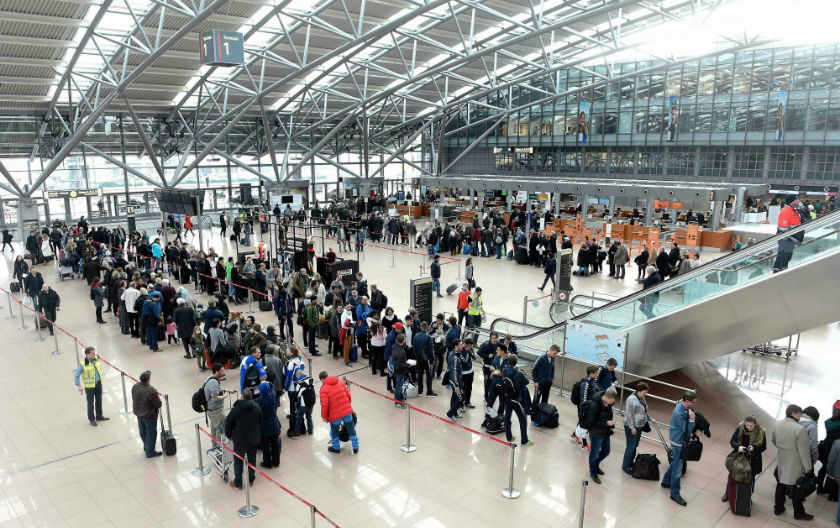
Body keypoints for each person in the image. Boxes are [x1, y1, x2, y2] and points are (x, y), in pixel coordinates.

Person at [772, 404, 814, 520]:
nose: (800, 417)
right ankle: (799, 513)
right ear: (794, 414)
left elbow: (774, 440)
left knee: (781, 484)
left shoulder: (779, 424)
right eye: (800, 414)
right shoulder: (800, 430)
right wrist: (808, 467)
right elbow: (804, 451)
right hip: (795, 463)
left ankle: (778, 508)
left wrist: (783, 449)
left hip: (782, 459)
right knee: (797, 488)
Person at [661, 390, 698, 506]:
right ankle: (674, 493)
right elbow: (686, 431)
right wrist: (692, 420)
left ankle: (666, 481)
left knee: (677, 461)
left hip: (678, 439)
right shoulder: (679, 413)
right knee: (678, 468)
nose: (694, 405)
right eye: (693, 403)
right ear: (686, 401)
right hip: (678, 442)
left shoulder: (687, 408)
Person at [721, 415, 766, 502]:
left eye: (751, 426)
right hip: (739, 456)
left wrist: (754, 447)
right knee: (732, 475)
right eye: (747, 425)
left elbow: (763, 447)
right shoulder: (740, 429)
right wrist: (738, 447)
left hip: (753, 459)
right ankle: (727, 493)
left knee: (751, 478)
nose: (748, 427)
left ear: (755, 424)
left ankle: (748, 496)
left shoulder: (760, 432)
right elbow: (732, 441)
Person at [224, 389, 262, 489]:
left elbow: (228, 423)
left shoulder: (236, 409)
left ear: (242, 397)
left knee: (238, 461)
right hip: (253, 438)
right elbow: (260, 419)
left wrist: (229, 435)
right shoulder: (257, 407)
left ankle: (238, 483)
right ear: (251, 397)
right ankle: (251, 480)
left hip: (239, 441)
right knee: (252, 459)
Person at [580, 387, 617, 484]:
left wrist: (610, 425)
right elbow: (592, 422)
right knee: (594, 453)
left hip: (605, 432)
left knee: (606, 451)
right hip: (596, 433)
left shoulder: (608, 404)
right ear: (608, 398)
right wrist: (606, 423)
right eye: (612, 401)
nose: (613, 403)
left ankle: (595, 465)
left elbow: (608, 415)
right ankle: (593, 472)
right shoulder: (595, 405)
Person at [320, 371, 359, 454]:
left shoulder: (323, 389)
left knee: (334, 431)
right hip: (346, 411)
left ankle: (336, 448)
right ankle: (355, 447)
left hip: (334, 415)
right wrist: (347, 406)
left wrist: (324, 416)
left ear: (322, 379)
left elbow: (324, 405)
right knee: (351, 429)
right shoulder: (340, 382)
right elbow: (348, 395)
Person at [499, 354, 533, 446]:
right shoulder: (519, 374)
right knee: (522, 419)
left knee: (507, 417)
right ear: (516, 362)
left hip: (507, 398)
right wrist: (524, 375)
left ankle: (509, 437)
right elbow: (527, 382)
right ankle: (524, 440)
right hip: (516, 400)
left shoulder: (504, 370)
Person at [73, 346, 109, 427]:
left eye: (94, 353)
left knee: (99, 400)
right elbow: (76, 375)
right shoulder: (83, 364)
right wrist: (79, 386)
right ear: (87, 354)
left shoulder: (95, 359)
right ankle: (91, 419)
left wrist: (97, 356)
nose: (94, 354)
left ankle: (99, 416)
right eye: (93, 353)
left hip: (98, 384)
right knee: (90, 403)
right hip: (90, 387)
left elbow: (97, 358)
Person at [131, 370, 162, 458]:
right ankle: (150, 452)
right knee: (151, 433)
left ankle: (146, 448)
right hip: (149, 415)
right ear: (148, 380)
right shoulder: (151, 390)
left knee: (143, 432)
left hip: (139, 413)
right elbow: (158, 404)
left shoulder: (135, 386)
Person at [621, 382, 650, 475]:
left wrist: (650, 418)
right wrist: (632, 427)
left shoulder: (641, 397)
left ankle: (630, 462)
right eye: (645, 392)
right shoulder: (632, 399)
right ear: (639, 391)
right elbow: (629, 414)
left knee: (634, 445)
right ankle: (625, 466)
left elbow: (645, 409)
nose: (646, 394)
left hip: (639, 426)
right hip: (632, 426)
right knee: (631, 446)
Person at [773, 194, 803, 273]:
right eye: (796, 200)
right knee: (784, 257)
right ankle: (779, 272)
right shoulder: (786, 211)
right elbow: (783, 229)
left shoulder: (794, 210)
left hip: (791, 240)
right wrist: (788, 239)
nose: (798, 201)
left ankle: (782, 271)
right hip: (787, 240)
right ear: (791, 202)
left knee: (787, 257)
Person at [256, 381, 281, 469]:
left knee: (265, 446)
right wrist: (267, 382)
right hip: (274, 424)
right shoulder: (273, 396)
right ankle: (276, 462)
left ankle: (267, 463)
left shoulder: (258, 402)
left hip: (263, 427)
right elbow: (273, 386)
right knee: (275, 443)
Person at [204, 364, 230, 447]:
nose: (223, 372)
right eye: (222, 370)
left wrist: (227, 390)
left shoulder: (210, 378)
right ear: (216, 372)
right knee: (220, 428)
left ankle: (214, 446)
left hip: (211, 409)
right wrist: (225, 396)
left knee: (214, 427)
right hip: (216, 410)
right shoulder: (214, 382)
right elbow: (215, 398)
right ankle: (219, 448)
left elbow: (215, 391)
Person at [284, 347, 306, 435]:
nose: (287, 352)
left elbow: (288, 377)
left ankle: (293, 425)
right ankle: (301, 425)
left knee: (293, 406)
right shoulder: (301, 362)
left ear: (292, 353)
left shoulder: (291, 364)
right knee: (299, 405)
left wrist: (285, 387)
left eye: (288, 351)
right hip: (299, 387)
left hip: (292, 388)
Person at [412, 321, 437, 397]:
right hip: (427, 359)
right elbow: (430, 350)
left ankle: (420, 391)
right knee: (429, 375)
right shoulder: (428, 337)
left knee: (420, 374)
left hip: (419, 358)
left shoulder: (416, 336)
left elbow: (414, 348)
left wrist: (417, 356)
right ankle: (429, 391)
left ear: (420, 327)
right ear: (427, 327)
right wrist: (432, 360)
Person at [445, 339, 464, 422]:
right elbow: (454, 372)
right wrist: (456, 385)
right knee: (461, 397)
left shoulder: (454, 353)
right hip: (455, 380)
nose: (462, 346)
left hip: (455, 380)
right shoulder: (454, 357)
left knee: (455, 396)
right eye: (460, 344)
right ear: (456, 346)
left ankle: (454, 412)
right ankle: (449, 414)